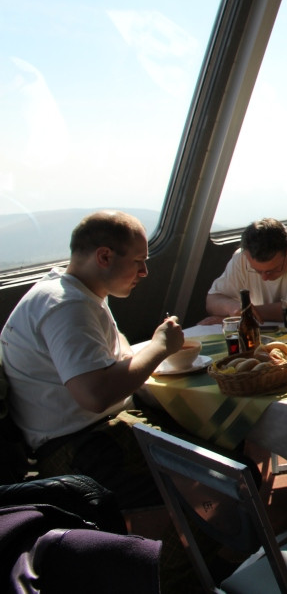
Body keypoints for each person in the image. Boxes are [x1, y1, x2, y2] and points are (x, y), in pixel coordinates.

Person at [0, 211, 185, 509]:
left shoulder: (82, 294)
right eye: (138, 261)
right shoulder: (66, 306)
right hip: (81, 448)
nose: (144, 272)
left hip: (94, 433)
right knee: (217, 483)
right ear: (104, 257)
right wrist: (160, 347)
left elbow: (118, 358)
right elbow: (95, 395)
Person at [203, 217, 287, 325]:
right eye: (257, 271)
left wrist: (243, 315)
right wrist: (232, 307)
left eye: (273, 270)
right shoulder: (241, 258)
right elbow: (212, 300)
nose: (264, 278)